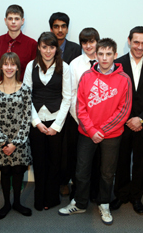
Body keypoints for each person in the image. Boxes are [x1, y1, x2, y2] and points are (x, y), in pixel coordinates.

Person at [59, 38, 132, 225]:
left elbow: (124, 110)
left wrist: (103, 130)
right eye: (101, 54)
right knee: (81, 171)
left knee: (107, 173)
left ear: (115, 55)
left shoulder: (124, 79)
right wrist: (92, 130)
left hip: (112, 135)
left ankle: (104, 203)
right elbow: (80, 106)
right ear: (95, 55)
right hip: (87, 134)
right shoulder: (86, 76)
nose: (105, 58)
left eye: (109, 54)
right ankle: (80, 202)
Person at [110, 26, 143, 215]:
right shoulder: (118, 64)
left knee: (141, 163)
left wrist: (140, 119)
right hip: (122, 125)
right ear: (129, 41)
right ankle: (120, 195)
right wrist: (127, 119)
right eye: (136, 42)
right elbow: (114, 96)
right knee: (121, 162)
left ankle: (136, 197)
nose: (140, 47)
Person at [23, 32, 71, 211]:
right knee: (39, 160)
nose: (48, 51)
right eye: (44, 47)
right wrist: (36, 122)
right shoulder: (30, 66)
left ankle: (51, 198)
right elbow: (27, 96)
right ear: (39, 47)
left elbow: (67, 98)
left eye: (51, 47)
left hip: (56, 120)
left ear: (56, 48)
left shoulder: (64, 67)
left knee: (54, 161)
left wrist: (56, 126)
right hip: (36, 122)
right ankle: (39, 197)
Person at [0, 52, 32, 219]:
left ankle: (17, 202)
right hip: (0, 140)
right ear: (1, 67)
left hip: (19, 141)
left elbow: (27, 117)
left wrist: (15, 143)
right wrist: (2, 142)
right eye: (6, 64)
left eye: (12, 64)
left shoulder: (25, 90)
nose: (9, 67)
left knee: (18, 171)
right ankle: (6, 203)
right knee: (5, 171)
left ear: (17, 67)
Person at [64, 27, 100, 200]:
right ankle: (78, 193)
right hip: (78, 120)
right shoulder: (75, 64)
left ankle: (95, 193)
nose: (88, 46)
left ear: (97, 42)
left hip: (101, 121)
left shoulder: (105, 62)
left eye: (91, 41)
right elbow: (71, 94)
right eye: (84, 42)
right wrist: (80, 120)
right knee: (79, 160)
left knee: (98, 160)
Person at [49, 12, 81, 196]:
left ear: (67, 28)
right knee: (56, 148)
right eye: (56, 26)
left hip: (72, 106)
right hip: (53, 104)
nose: (60, 30)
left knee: (71, 147)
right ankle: (59, 181)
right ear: (51, 28)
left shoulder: (76, 49)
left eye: (63, 26)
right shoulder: (46, 47)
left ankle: (71, 180)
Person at [0, 4, 37, 82]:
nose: (13, 22)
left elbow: (33, 71)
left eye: (16, 19)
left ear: (22, 21)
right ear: (5, 21)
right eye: (10, 19)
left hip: (23, 88)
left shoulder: (32, 44)